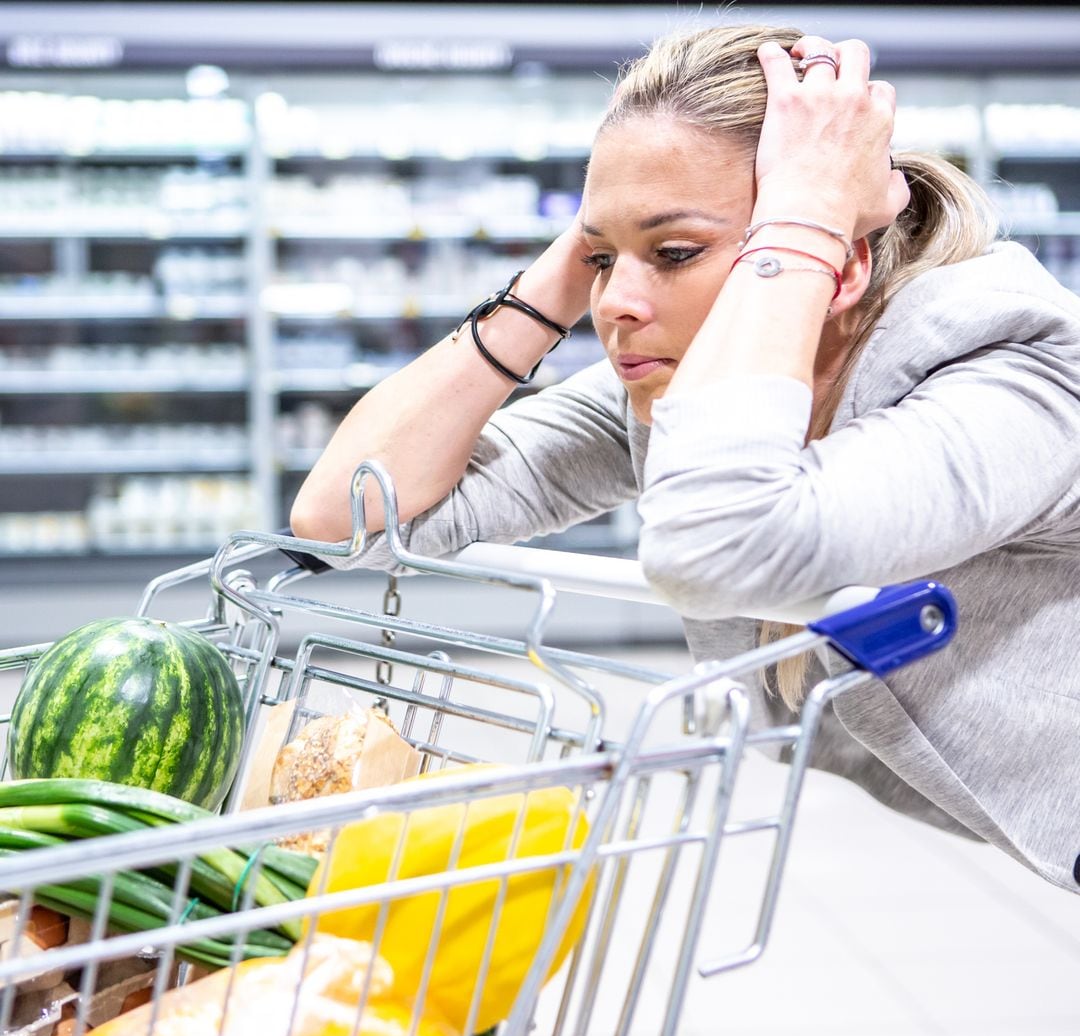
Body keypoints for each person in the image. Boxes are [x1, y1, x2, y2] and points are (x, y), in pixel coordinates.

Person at [291, 24, 1080, 895]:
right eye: (601, 263)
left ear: (837, 265)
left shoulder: (1012, 372)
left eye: (674, 254)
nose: (616, 306)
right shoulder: (685, 383)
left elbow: (719, 544)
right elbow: (349, 516)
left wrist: (810, 206)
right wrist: (570, 267)